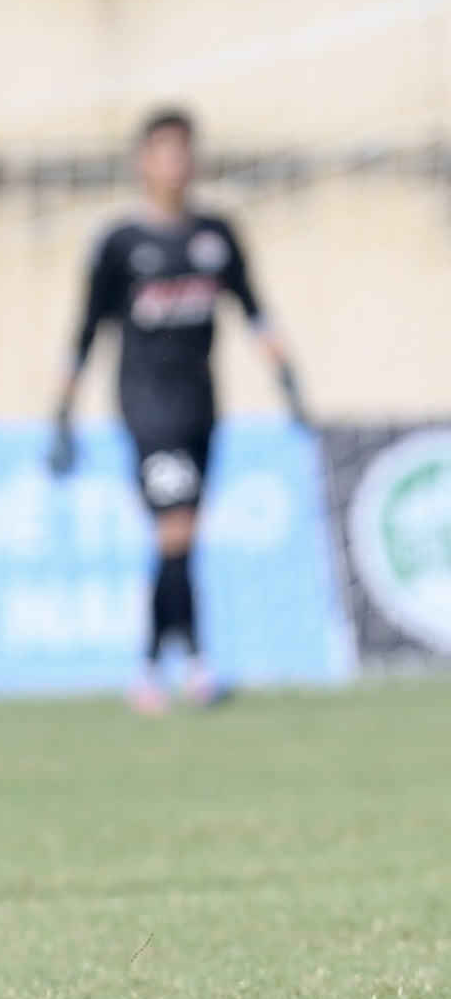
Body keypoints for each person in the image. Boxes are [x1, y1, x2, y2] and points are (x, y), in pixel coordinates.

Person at [50, 109, 305, 714]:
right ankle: (178, 663)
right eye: (164, 152)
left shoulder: (217, 235)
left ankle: (163, 663)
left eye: (185, 151)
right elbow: (85, 331)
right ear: (143, 162)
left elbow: (254, 309)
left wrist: (290, 380)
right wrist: (61, 411)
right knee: (176, 530)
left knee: (180, 538)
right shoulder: (120, 243)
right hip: (146, 407)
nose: (176, 163)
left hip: (202, 408)